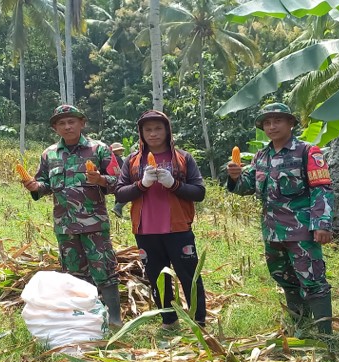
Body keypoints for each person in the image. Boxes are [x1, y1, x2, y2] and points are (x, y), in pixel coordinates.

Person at [226, 103, 333, 335]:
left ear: (291, 123)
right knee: (285, 278)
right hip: (272, 231)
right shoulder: (262, 156)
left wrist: (322, 224)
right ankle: (300, 326)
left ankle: (326, 336)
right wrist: (235, 177)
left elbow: (321, 189)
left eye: (277, 121)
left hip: (301, 231)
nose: (272, 126)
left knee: (313, 280)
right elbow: (248, 187)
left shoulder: (308, 152)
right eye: (267, 122)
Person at [21, 104, 123, 328]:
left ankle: (115, 318)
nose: (67, 126)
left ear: (82, 123)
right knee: (74, 275)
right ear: (55, 128)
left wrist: (101, 180)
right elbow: (44, 184)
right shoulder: (49, 154)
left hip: (94, 223)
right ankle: (85, 318)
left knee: (104, 269)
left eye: (72, 121)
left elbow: (119, 182)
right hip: (65, 226)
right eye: (61, 123)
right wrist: (33, 185)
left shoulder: (99, 150)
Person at [115, 110, 207, 330]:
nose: (153, 133)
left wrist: (174, 184)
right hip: (146, 230)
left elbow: (199, 192)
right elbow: (119, 193)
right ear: (141, 133)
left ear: (167, 131)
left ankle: (199, 322)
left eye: (158, 128)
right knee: (157, 277)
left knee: (189, 275)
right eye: (148, 129)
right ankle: (169, 321)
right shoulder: (132, 161)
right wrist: (142, 184)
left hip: (178, 228)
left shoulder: (183, 159)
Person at [108, 142, 128, 218]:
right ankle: (117, 208)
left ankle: (118, 213)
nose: (121, 152)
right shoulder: (118, 159)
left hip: (112, 179)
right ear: (115, 151)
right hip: (120, 179)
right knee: (128, 195)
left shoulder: (110, 158)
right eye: (120, 150)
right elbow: (124, 168)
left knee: (118, 195)